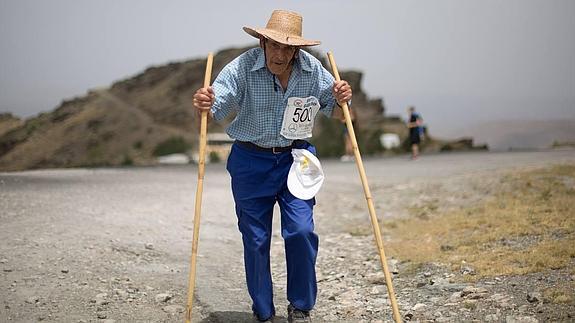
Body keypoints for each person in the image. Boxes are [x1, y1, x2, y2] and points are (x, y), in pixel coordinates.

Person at [192, 10, 352, 323]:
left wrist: (344, 99)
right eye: (274, 45)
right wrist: (206, 103)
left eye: (288, 48)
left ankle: (301, 306)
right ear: (263, 41)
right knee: (255, 239)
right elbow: (218, 104)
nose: (280, 54)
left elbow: (337, 111)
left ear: (298, 50)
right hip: (251, 161)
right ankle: (263, 311)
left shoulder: (312, 70)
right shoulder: (241, 67)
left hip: (297, 159)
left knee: (301, 230)